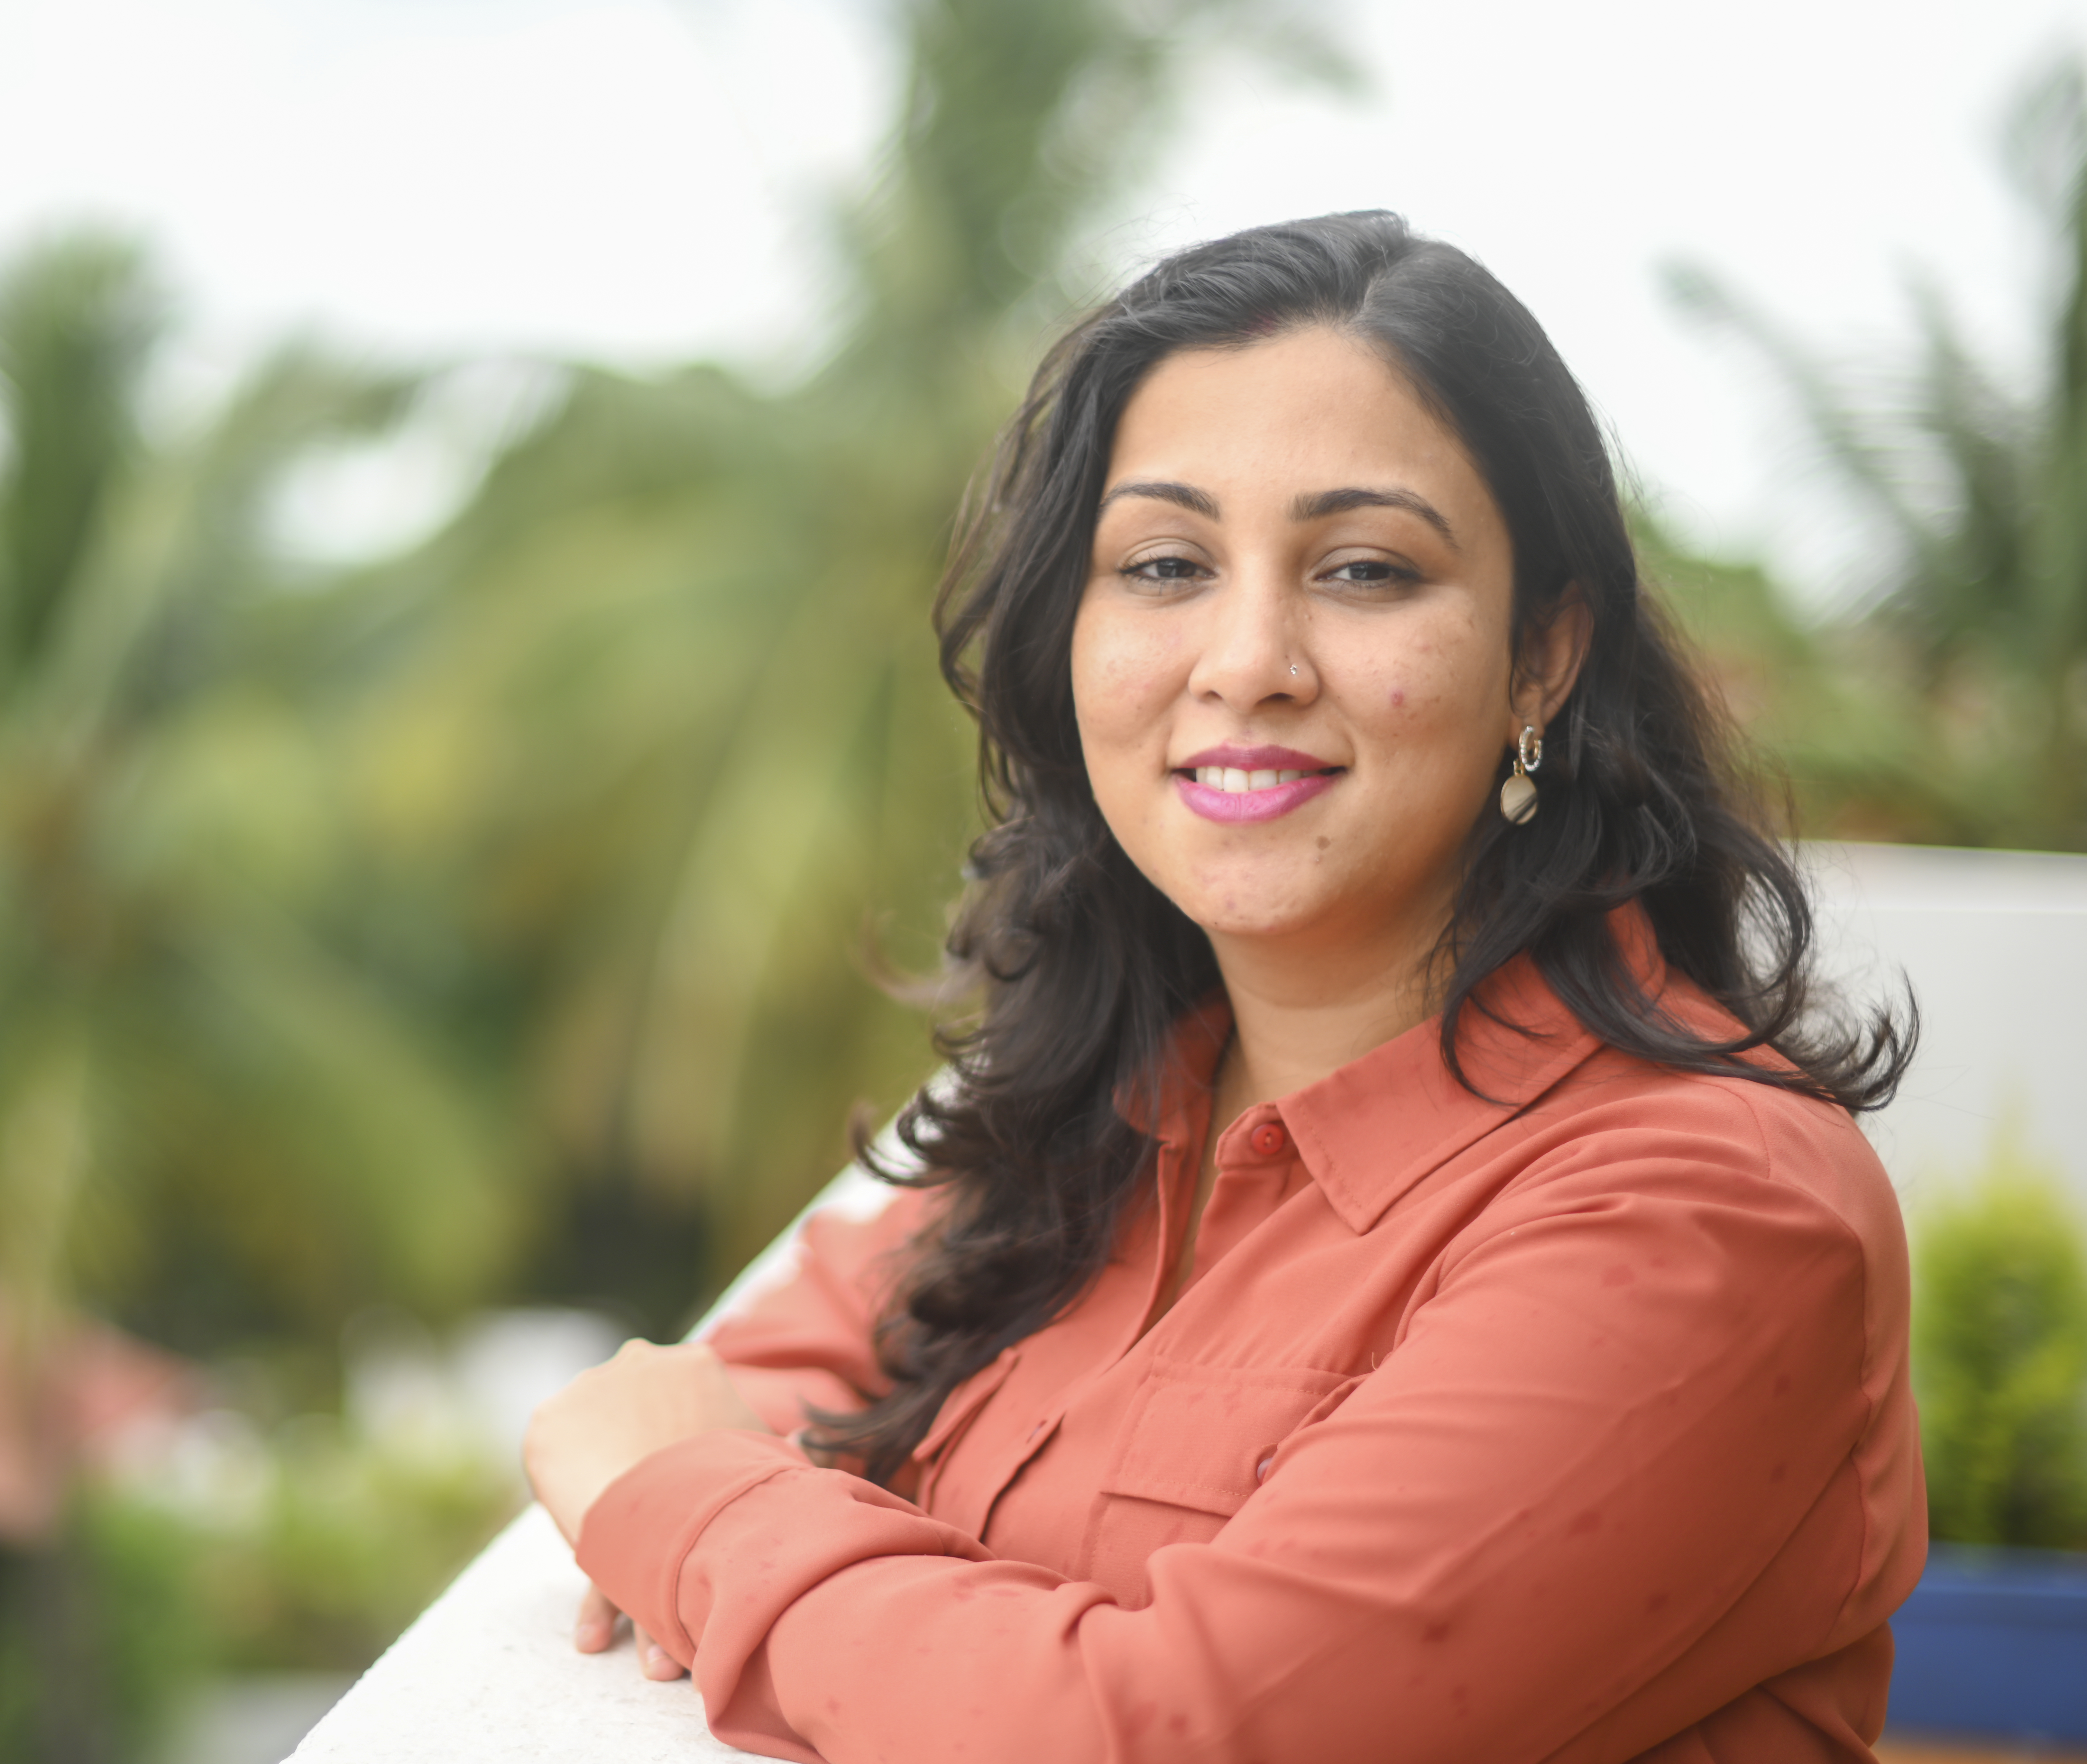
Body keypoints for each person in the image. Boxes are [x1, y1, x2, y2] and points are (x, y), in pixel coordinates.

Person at [521, 211, 1923, 1764]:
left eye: (1367, 568)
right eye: (1167, 563)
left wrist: (681, 1503)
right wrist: (747, 1497)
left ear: (1543, 657)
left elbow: (1154, 1735)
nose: (1247, 655)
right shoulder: (1109, 1107)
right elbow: (787, 1360)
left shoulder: (1705, 1214)